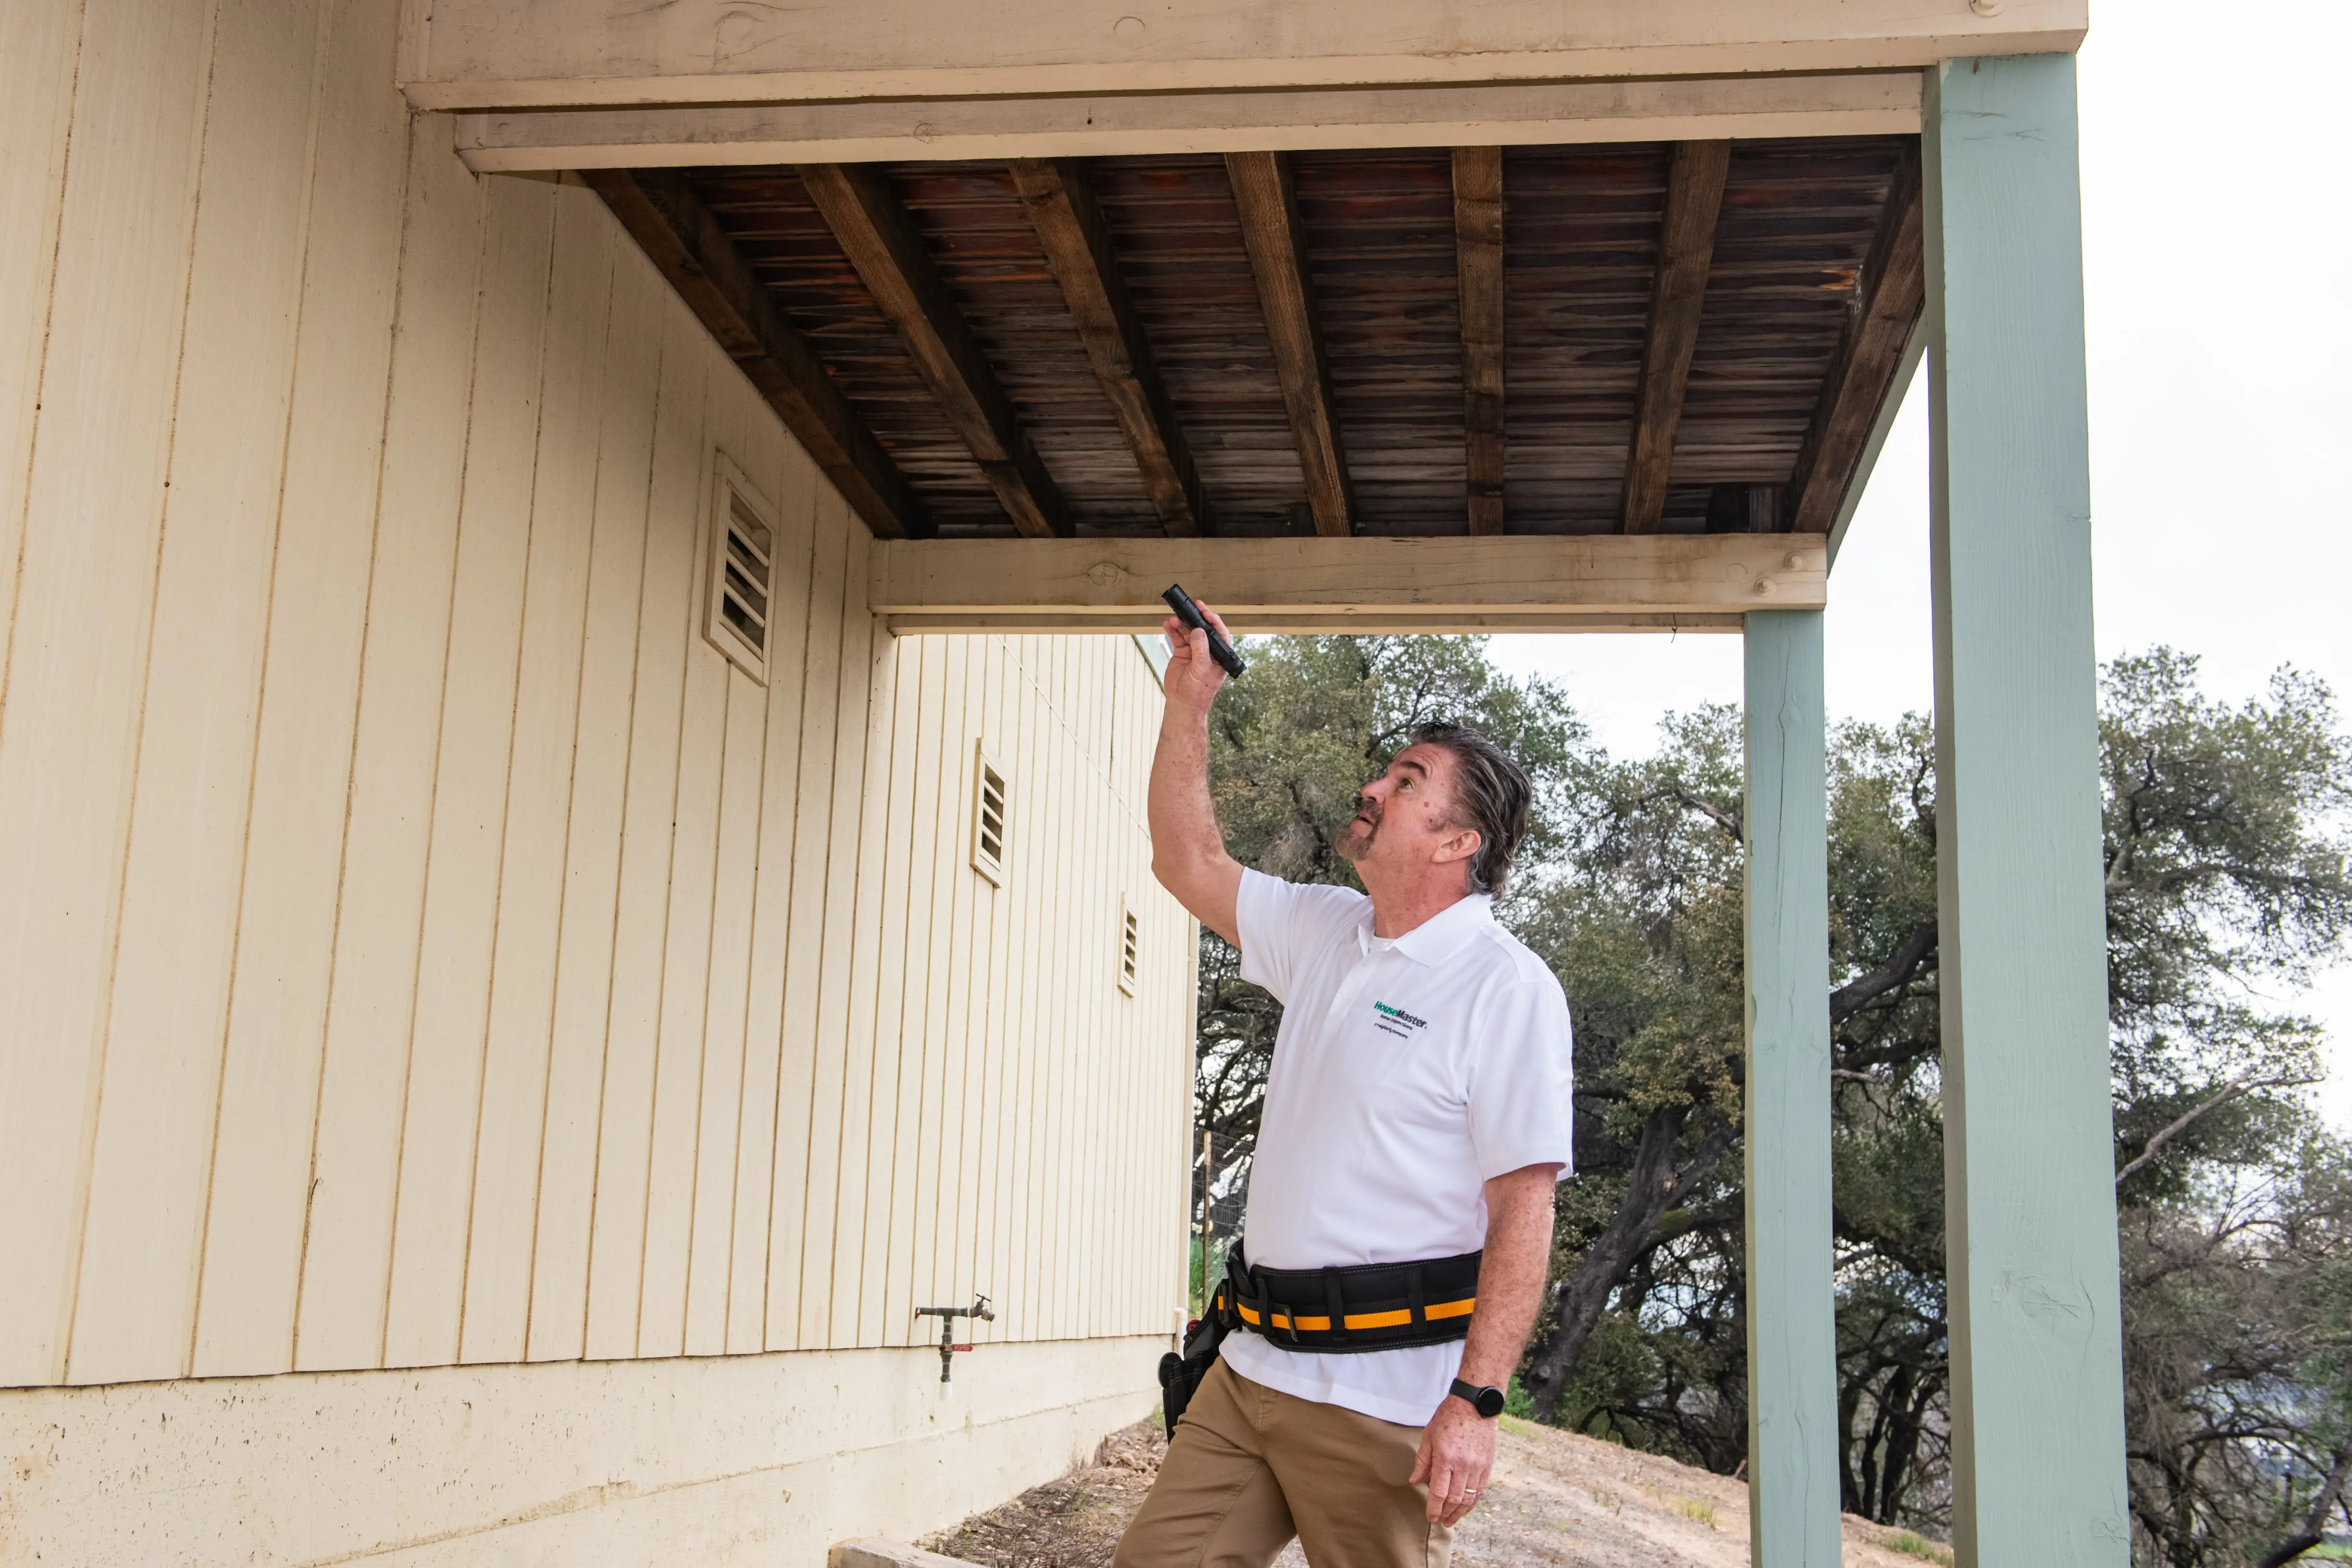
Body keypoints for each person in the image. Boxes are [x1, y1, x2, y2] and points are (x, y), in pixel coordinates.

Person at [1120, 603, 1576, 1568]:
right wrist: (1188, 703)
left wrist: (1477, 1401)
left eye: (1406, 784)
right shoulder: (1329, 929)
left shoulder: (1504, 990)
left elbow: (1524, 1210)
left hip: (1382, 1408)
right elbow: (1186, 861)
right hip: (1247, 1372)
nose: (1372, 786)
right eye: (1386, 771)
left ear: (1458, 843)